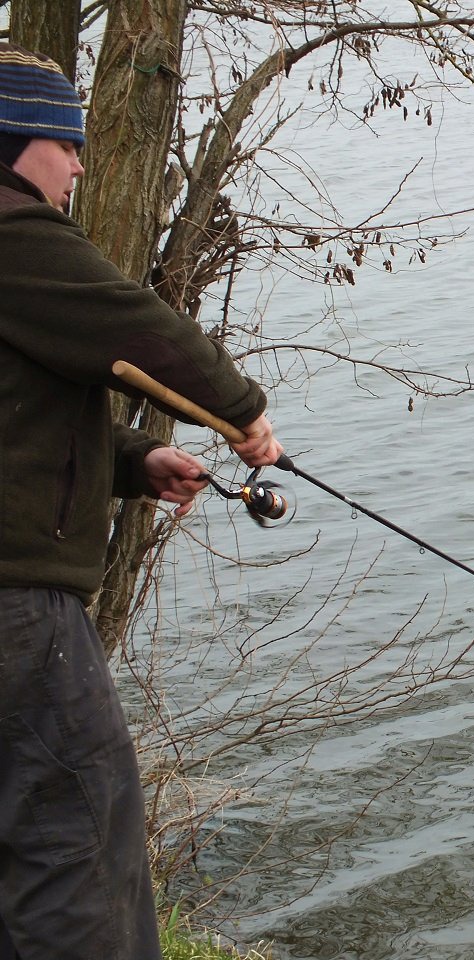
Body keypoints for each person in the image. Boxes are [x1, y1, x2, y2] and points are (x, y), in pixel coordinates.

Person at [0, 43, 282, 959]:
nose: (79, 163)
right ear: (13, 142)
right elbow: (140, 327)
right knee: (77, 848)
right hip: (18, 611)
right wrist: (243, 414)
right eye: (63, 142)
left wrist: (132, 461)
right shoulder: (15, 238)